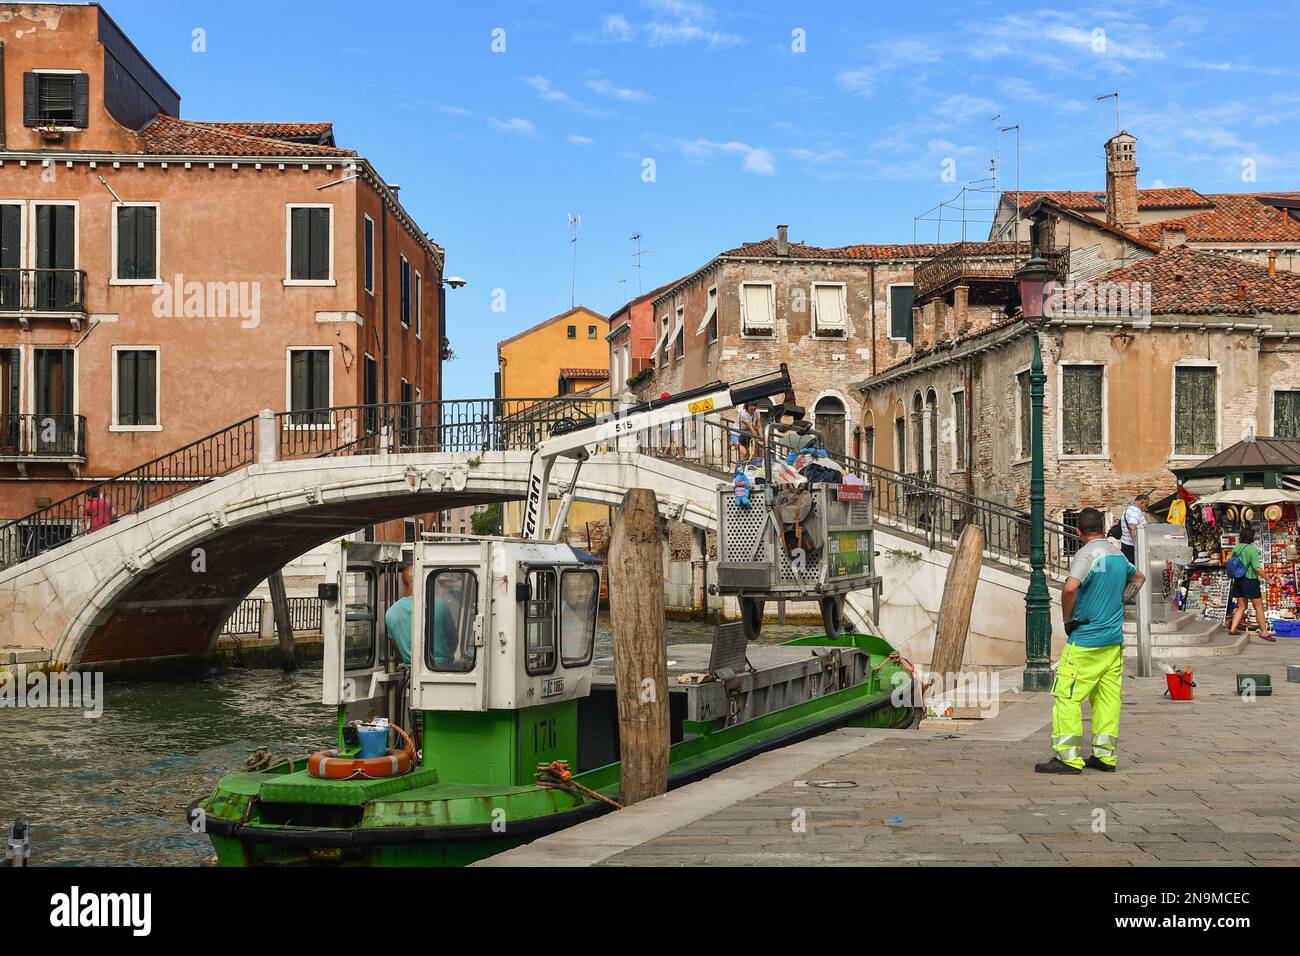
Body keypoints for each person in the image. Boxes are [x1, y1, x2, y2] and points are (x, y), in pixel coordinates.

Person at [1036, 506, 1145, 775]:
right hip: (1112, 640)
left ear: (1077, 532)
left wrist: (1067, 620)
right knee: (1107, 699)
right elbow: (1139, 577)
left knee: (1067, 696)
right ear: (1103, 528)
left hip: (1085, 639)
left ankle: (1068, 757)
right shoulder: (1117, 553)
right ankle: (1105, 755)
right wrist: (1122, 597)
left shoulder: (1086, 554)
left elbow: (1070, 588)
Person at [1227, 526, 1277, 642]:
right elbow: (1257, 569)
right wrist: (1268, 579)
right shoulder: (1252, 549)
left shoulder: (1236, 548)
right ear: (1251, 537)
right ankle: (1264, 632)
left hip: (1238, 580)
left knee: (1241, 606)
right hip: (1250, 580)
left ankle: (1233, 628)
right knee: (1258, 607)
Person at [384, 564, 415, 666]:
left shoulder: (391, 612)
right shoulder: (439, 604)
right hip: (443, 669)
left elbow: (396, 648)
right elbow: (453, 640)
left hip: (411, 674)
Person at [1119, 492, 1149, 565]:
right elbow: (1131, 527)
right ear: (1142, 502)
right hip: (1132, 547)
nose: (1146, 507)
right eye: (1146, 504)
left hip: (1126, 544)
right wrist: (1137, 543)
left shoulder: (1128, 509)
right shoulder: (1136, 511)